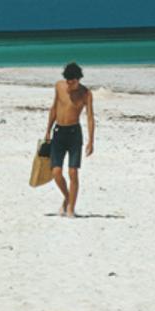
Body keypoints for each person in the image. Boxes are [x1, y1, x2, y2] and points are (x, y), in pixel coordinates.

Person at [44, 61, 94, 217]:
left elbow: (90, 117)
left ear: (78, 79)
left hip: (74, 134)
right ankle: (67, 198)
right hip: (58, 132)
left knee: (73, 172)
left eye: (71, 82)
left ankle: (71, 208)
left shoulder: (86, 93)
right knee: (56, 173)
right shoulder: (59, 86)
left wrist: (91, 140)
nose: (68, 84)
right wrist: (48, 130)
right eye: (67, 81)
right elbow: (54, 108)